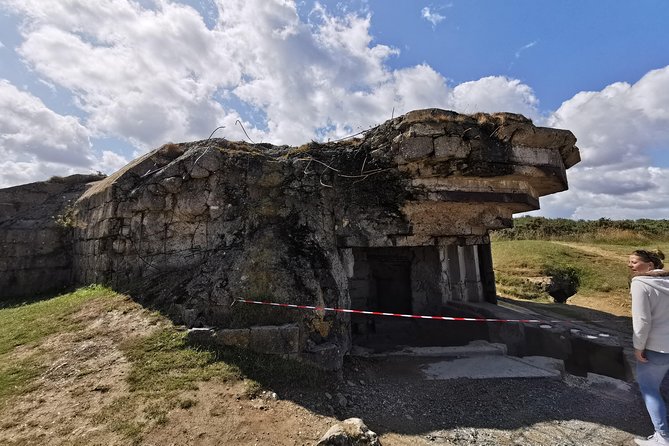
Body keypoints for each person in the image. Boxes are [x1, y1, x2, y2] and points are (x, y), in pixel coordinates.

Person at [629, 249, 669, 445]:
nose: (630, 265)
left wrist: (638, 347)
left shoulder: (640, 284)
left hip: (656, 347)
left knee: (650, 390)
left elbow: (642, 321)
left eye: (634, 262)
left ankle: (662, 438)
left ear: (650, 265)